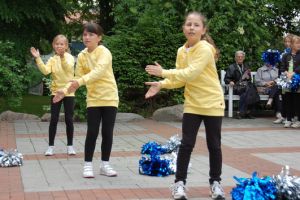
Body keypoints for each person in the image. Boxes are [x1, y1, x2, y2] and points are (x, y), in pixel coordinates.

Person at [145, 11, 225, 200]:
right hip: (193, 104)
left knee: (214, 145)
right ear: (183, 28)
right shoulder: (182, 51)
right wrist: (162, 84)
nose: (191, 27)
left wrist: (163, 72)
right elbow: (181, 79)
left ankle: (216, 184)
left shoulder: (205, 48)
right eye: (188, 24)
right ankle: (179, 184)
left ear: (203, 30)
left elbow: (190, 73)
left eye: (196, 25)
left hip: (212, 102)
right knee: (186, 144)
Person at [53, 22, 119, 178]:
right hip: (93, 99)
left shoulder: (104, 52)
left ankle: (105, 165)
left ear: (99, 38)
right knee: (92, 132)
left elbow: (98, 72)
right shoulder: (82, 56)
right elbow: (76, 78)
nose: (87, 37)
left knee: (107, 133)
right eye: (85, 34)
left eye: (91, 34)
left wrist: (79, 82)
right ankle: (88, 165)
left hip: (109, 97)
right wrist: (64, 90)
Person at [30, 35, 76, 156]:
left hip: (68, 92)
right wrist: (38, 58)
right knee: (54, 119)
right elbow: (45, 71)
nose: (59, 46)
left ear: (66, 46)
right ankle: (50, 147)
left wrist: (62, 57)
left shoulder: (70, 57)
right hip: (56, 93)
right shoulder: (52, 59)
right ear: (53, 45)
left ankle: (70, 146)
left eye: (62, 44)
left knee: (68, 119)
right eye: (57, 44)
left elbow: (67, 67)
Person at [224, 51, 254, 119]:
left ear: (244, 58)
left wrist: (248, 78)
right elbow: (226, 79)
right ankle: (247, 112)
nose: (240, 58)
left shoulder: (246, 67)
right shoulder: (231, 67)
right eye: (238, 57)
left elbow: (249, 80)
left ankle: (240, 112)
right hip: (236, 87)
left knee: (247, 91)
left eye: (241, 57)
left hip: (245, 87)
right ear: (235, 58)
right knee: (250, 91)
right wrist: (230, 81)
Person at [255, 50, 282, 123]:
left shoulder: (276, 70)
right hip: (264, 89)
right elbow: (257, 81)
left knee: (276, 89)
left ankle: (270, 101)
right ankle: (279, 113)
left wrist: (273, 82)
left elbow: (280, 79)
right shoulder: (260, 70)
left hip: (274, 88)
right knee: (278, 92)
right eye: (268, 59)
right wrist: (266, 83)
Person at [280, 35, 300, 128]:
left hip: (297, 79)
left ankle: (298, 119)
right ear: (291, 44)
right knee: (287, 99)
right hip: (287, 79)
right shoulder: (285, 55)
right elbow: (282, 67)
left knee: (297, 100)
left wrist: (294, 73)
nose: (299, 45)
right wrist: (286, 72)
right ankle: (288, 119)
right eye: (297, 43)